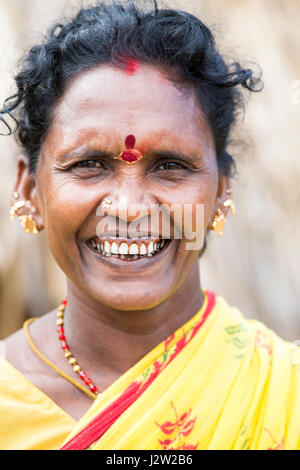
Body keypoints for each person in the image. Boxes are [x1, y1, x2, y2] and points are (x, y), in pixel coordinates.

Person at [0, 1, 299, 451]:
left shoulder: (284, 395)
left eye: (171, 166)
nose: (129, 208)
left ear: (220, 191)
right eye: (90, 164)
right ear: (29, 190)